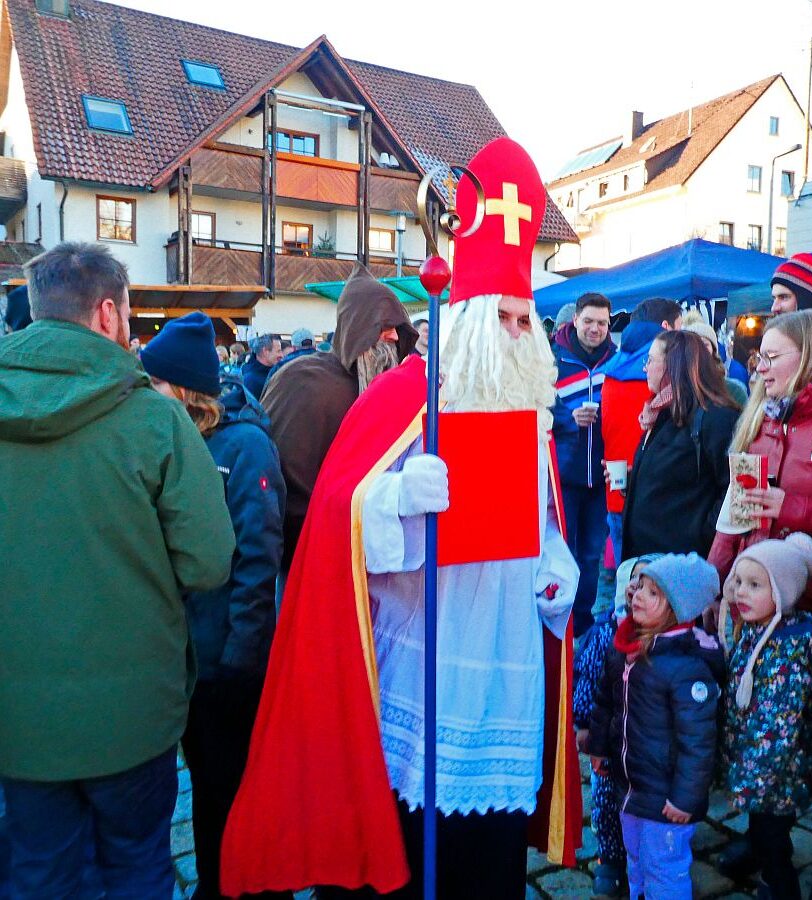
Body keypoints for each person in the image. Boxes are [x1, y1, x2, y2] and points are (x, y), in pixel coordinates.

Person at [220, 136, 582, 899]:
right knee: (417, 855)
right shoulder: (402, 400)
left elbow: (547, 523)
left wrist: (558, 569)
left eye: (528, 319)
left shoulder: (533, 417)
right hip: (424, 654)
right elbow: (332, 523)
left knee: (487, 863)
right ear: (472, 321)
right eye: (507, 319)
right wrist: (391, 500)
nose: (523, 335)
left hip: (504, 666)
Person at [0, 243, 235, 899]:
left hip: (18, 717)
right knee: (135, 867)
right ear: (108, 313)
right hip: (133, 716)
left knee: (37, 871)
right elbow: (210, 561)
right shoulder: (153, 418)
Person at [708, 310, 812, 897]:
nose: (759, 367)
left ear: (809, 356)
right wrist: (715, 575)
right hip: (763, 608)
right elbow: (740, 504)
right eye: (758, 357)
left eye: (771, 357)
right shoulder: (765, 417)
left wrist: (792, 508)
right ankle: (765, 832)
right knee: (761, 725)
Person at [140, 312, 289, 900]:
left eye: (153, 383)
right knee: (206, 781)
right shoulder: (181, 437)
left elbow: (259, 558)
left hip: (228, 660)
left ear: (179, 388)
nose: (145, 393)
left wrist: (239, 657)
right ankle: (215, 881)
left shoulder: (245, 445)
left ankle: (250, 885)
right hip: (190, 655)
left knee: (236, 783)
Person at [261, 264, 416, 578]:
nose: (394, 336)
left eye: (398, 327)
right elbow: (284, 481)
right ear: (358, 325)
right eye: (384, 325)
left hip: (372, 555)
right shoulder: (302, 381)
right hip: (309, 555)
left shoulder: (389, 389)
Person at [588, 553, 724, 900]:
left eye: (653, 593)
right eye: (639, 587)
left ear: (678, 610)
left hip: (666, 800)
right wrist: (601, 748)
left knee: (665, 870)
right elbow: (607, 702)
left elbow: (699, 744)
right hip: (630, 787)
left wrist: (685, 799)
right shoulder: (626, 647)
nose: (637, 596)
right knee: (637, 861)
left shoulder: (686, 669)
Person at [718, 533, 812, 900]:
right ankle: (762, 856)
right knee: (763, 826)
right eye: (738, 582)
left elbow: (778, 731)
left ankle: (780, 886)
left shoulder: (789, 655)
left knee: (772, 833)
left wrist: (750, 782)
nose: (741, 592)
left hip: (777, 776)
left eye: (754, 585)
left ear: (782, 592)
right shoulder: (756, 630)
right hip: (756, 768)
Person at [573, 554, 660, 899]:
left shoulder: (666, 639)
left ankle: (649, 858)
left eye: (651, 586)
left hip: (649, 745)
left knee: (649, 803)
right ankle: (610, 855)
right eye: (635, 582)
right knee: (607, 800)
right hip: (610, 740)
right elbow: (587, 680)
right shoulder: (605, 632)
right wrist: (584, 725)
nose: (638, 591)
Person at [621, 330, 740, 560]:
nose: (644, 368)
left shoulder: (716, 418)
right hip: (648, 561)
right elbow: (676, 477)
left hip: (683, 564)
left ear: (674, 365)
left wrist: (702, 536)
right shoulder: (660, 413)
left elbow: (733, 488)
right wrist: (636, 480)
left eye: (650, 360)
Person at [552, 292, 617, 635]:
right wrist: (567, 417)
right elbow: (535, 406)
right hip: (563, 472)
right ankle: (557, 620)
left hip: (601, 475)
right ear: (575, 320)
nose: (595, 329)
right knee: (562, 550)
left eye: (602, 323)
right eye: (589, 321)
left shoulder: (616, 361)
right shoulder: (552, 360)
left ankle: (582, 626)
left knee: (592, 556)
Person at [599, 297, 682, 565]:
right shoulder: (666, 374)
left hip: (615, 490)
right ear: (666, 327)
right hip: (653, 498)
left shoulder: (611, 369)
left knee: (625, 580)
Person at [681, 313, 749, 406]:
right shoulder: (678, 392)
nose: (700, 349)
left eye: (705, 344)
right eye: (694, 345)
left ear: (714, 350)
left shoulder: (734, 390)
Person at [242, 333, 284, 399]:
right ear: (265, 351)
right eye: (278, 351)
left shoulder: (277, 371)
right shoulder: (250, 380)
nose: (282, 355)